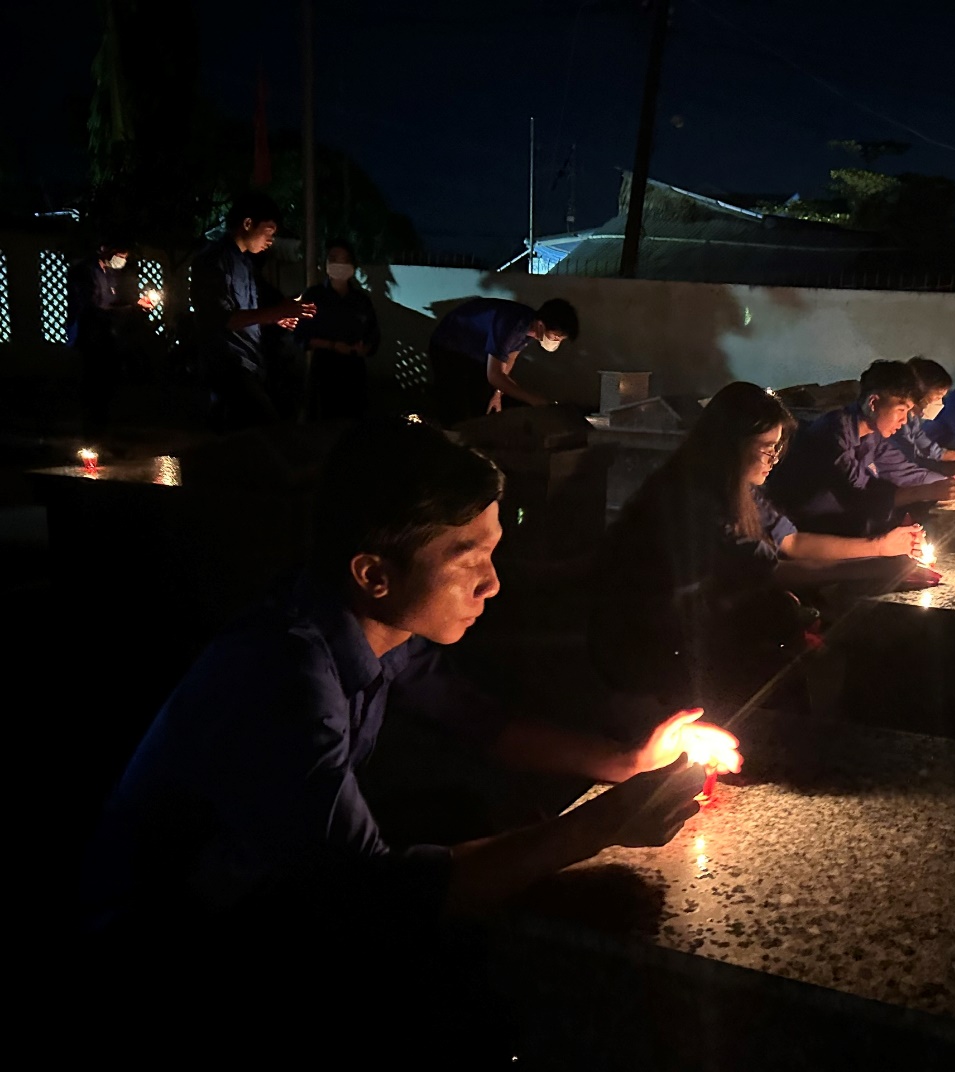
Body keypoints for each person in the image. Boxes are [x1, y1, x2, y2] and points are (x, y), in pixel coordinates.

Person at [81, 415, 737, 1042]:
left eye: (493, 552)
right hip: (176, 941)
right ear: (373, 572)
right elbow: (376, 895)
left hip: (270, 885)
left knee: (470, 816)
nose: (493, 585)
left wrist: (629, 760)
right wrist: (601, 825)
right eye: (467, 557)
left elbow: (484, 724)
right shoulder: (285, 674)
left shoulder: (371, 628)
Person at [591, 382, 928, 708]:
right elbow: (774, 572)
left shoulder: (741, 489)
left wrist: (882, 547)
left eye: (778, 448)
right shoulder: (693, 497)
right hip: (658, 646)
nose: (774, 459)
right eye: (767, 447)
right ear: (730, 444)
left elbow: (794, 543)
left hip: (702, 627)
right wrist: (877, 562)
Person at [765, 360, 955, 537]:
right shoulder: (833, 433)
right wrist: (925, 492)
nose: (904, 419)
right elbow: (858, 497)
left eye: (908, 411)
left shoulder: (872, 435)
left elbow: (903, 470)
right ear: (873, 403)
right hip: (799, 530)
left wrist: (951, 485)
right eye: (901, 410)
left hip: (839, 522)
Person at [189, 192, 315, 433]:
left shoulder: (246, 264)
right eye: (269, 230)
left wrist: (277, 315)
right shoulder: (212, 261)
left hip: (249, 364)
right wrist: (276, 312)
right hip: (227, 367)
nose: (272, 239)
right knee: (262, 433)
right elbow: (222, 319)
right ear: (248, 224)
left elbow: (253, 310)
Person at [428, 296, 579, 423]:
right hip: (448, 346)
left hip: (475, 354)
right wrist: (536, 401)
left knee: (483, 401)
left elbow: (508, 360)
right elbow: (494, 375)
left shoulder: (530, 330)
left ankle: (473, 442)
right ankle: (452, 442)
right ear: (541, 325)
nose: (556, 342)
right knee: (456, 404)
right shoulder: (513, 324)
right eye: (556, 337)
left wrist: (497, 393)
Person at [65, 239, 155, 438]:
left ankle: (102, 436)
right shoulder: (85, 272)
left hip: (106, 337)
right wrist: (131, 309)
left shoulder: (109, 273)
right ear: (105, 249)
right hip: (89, 337)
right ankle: (91, 438)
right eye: (120, 255)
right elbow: (93, 309)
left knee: (106, 388)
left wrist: (136, 302)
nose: (122, 260)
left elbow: (112, 302)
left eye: (124, 257)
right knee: (92, 388)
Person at [296, 238, 380, 421]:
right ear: (325, 263)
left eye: (345, 260)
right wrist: (332, 345)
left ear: (353, 265)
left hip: (354, 372)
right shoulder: (314, 296)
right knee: (322, 424)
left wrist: (365, 348)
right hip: (324, 371)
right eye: (334, 258)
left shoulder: (361, 300)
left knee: (352, 427)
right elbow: (301, 336)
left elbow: (374, 336)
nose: (339, 264)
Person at [876, 356, 955, 486]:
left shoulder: (913, 419)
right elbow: (911, 462)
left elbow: (931, 451)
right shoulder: (895, 424)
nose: (940, 403)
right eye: (938, 397)